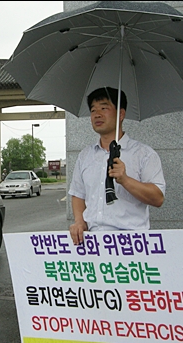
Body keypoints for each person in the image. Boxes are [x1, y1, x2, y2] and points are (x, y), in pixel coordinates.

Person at [68, 87, 166, 245]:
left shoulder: (144, 154)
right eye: (93, 110)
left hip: (132, 243)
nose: (97, 114)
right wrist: (79, 221)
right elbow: (78, 194)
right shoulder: (85, 156)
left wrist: (125, 180)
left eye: (104, 108)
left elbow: (158, 198)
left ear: (121, 114)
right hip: (93, 243)